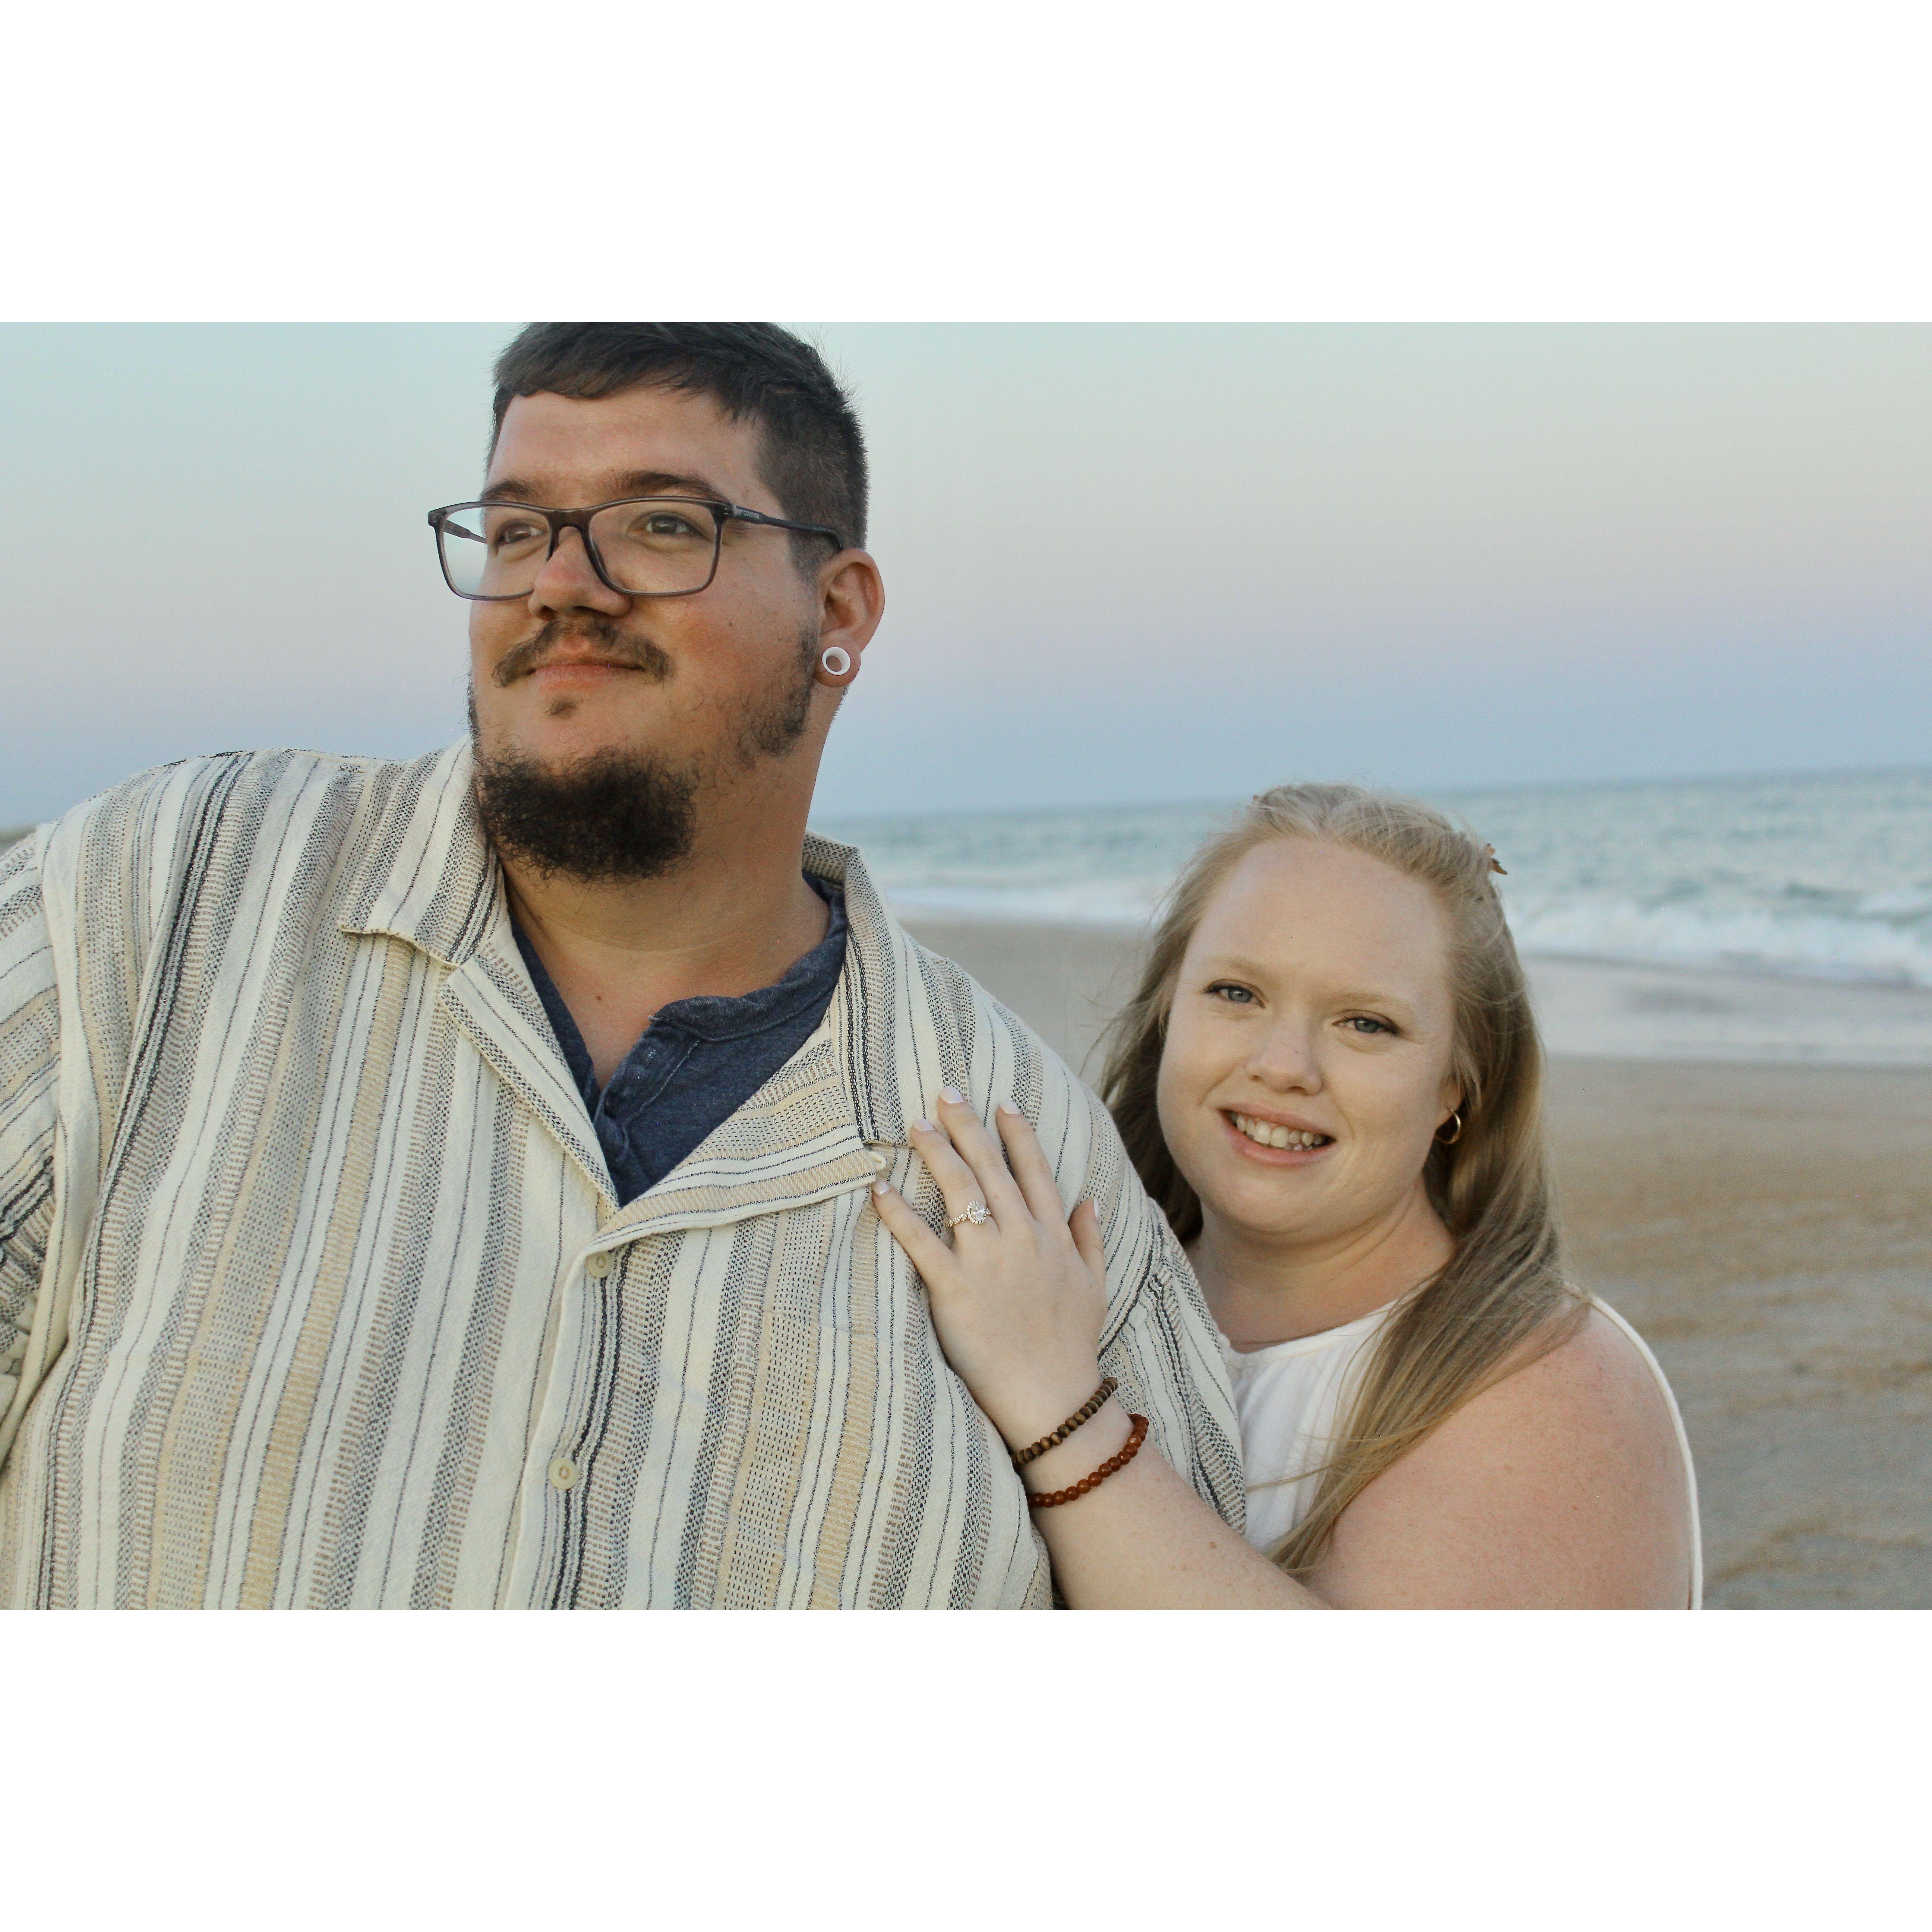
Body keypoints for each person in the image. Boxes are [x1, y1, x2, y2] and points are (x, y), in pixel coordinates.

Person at [0, 322, 1242, 1609]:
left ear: (836, 611)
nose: (559, 585)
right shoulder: (163, 903)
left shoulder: (1028, 1151)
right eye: (517, 529)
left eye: (659, 525)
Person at [874, 783, 1701, 1607]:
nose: (1283, 1066)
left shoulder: (1551, 1385)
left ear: (1454, 1086)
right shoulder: (1043, 1286)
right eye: (1237, 994)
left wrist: (1056, 1404)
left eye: (1366, 1023)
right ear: (1167, 1013)